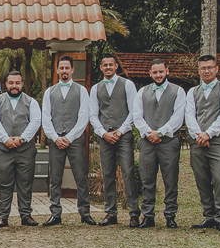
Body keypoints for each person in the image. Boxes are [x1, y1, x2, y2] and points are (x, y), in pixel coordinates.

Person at [132, 59, 186, 229]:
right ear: (150, 73)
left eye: (161, 72)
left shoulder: (178, 91)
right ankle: (148, 216)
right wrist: (149, 133)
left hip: (169, 141)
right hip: (147, 141)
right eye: (155, 72)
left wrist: (161, 132)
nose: (158, 75)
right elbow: (137, 116)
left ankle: (170, 215)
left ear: (167, 71)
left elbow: (178, 116)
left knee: (170, 179)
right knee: (147, 180)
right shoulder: (142, 92)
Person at [41, 56, 95, 226]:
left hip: (76, 140)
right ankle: (55, 214)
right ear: (57, 70)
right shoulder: (49, 92)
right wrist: (56, 138)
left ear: (72, 70)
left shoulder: (81, 91)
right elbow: (46, 118)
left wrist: (70, 137)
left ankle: (85, 213)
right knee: (55, 179)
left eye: (67, 68)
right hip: (55, 140)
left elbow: (83, 116)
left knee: (81, 177)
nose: (64, 71)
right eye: (61, 68)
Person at [185, 55, 220, 232]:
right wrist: (198, 135)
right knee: (202, 179)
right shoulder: (193, 92)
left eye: (210, 67)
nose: (206, 70)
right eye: (203, 68)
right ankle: (209, 215)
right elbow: (189, 116)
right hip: (197, 141)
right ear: (198, 70)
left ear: (216, 69)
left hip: (217, 140)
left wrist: (209, 134)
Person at [90, 54, 140, 226]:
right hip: (104, 136)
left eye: (111, 64)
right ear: (101, 68)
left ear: (116, 66)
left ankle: (134, 213)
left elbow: (133, 111)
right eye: (105, 65)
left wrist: (120, 132)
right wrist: (103, 133)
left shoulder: (127, 85)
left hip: (123, 134)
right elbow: (93, 114)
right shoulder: (96, 88)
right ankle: (111, 213)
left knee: (127, 172)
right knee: (107, 174)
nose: (108, 67)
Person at [0, 69, 41, 228]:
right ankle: (2, 217)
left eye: (17, 83)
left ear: (22, 84)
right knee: (5, 185)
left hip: (25, 149)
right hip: (4, 150)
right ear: (5, 84)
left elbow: (35, 122)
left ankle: (26, 215)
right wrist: (5, 139)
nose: (14, 86)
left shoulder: (31, 102)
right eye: (11, 83)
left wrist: (21, 139)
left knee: (25, 184)